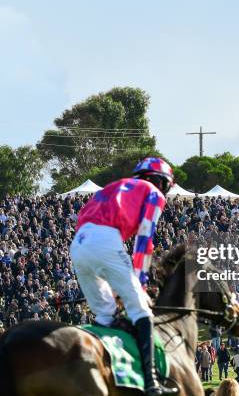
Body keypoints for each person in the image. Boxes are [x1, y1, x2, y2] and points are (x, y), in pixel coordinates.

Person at [69, 157, 177, 396]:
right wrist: (140, 283)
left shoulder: (112, 187)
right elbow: (144, 241)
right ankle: (151, 383)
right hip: (106, 240)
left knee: (106, 314)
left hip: (78, 244)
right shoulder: (153, 192)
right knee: (141, 310)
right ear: (161, 182)